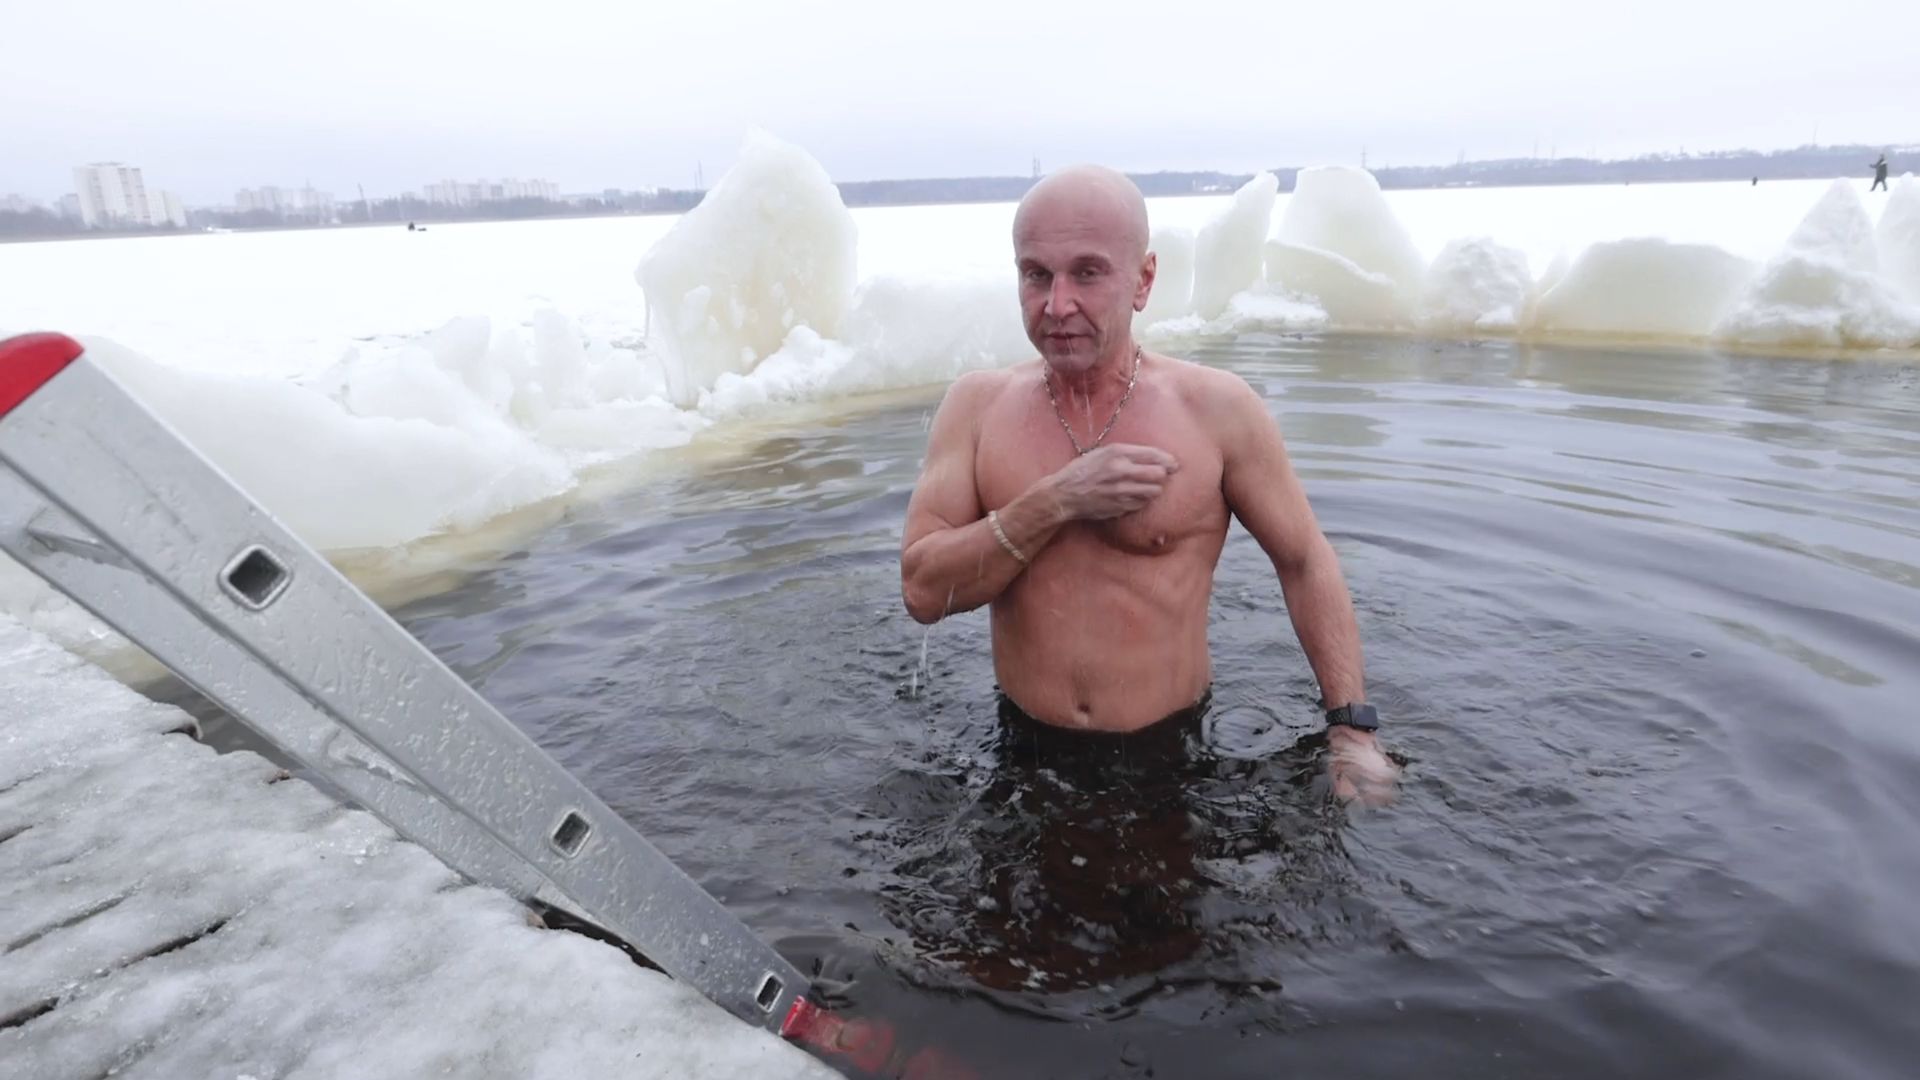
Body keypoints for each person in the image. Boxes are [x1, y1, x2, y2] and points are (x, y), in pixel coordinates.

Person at [898, 165, 1399, 805]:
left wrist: (1353, 731)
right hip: (1021, 757)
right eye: (1036, 274)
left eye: (1087, 272)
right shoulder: (975, 409)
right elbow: (921, 590)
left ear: (1144, 280)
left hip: (1172, 758)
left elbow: (1304, 561)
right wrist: (1055, 502)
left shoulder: (1216, 410)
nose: (1057, 305)